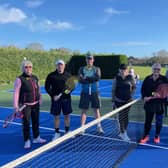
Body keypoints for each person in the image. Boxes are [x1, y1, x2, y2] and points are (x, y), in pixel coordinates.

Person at [13, 60, 46, 149]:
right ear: (23, 68)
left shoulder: (35, 77)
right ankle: (27, 140)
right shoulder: (19, 79)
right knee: (26, 123)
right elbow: (16, 93)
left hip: (36, 104)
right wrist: (16, 106)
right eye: (26, 67)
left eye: (30, 67)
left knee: (36, 122)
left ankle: (36, 137)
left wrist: (40, 98)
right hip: (25, 105)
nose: (28, 69)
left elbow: (38, 89)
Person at [45, 59, 73, 141]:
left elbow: (71, 87)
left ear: (64, 66)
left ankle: (67, 131)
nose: (60, 66)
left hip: (66, 99)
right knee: (56, 117)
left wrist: (64, 94)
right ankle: (57, 133)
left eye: (61, 65)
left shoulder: (68, 75)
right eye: (58, 65)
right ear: (56, 66)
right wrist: (53, 95)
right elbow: (47, 87)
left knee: (67, 116)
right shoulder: (51, 75)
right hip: (55, 100)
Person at [140, 63, 167, 144]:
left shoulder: (164, 79)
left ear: (160, 70)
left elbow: (165, 91)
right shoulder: (147, 78)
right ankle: (146, 136)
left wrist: (156, 94)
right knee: (148, 122)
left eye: (158, 69)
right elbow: (143, 89)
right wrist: (144, 97)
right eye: (155, 69)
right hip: (149, 104)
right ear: (152, 69)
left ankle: (157, 135)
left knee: (159, 122)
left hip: (160, 104)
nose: (156, 71)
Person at [78, 54, 104, 134]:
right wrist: (90, 79)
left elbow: (97, 78)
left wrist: (87, 78)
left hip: (95, 91)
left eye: (90, 59)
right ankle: (82, 128)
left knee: (96, 110)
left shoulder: (97, 69)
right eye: (88, 59)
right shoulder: (81, 69)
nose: (89, 60)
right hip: (84, 92)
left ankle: (99, 127)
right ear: (86, 60)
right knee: (84, 110)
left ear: (93, 60)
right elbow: (80, 79)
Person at [112, 64, 136, 141]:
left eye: (125, 69)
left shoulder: (130, 77)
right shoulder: (116, 78)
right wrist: (113, 100)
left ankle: (123, 131)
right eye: (122, 69)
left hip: (128, 101)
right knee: (121, 116)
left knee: (125, 116)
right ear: (119, 70)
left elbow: (134, 87)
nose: (123, 71)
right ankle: (123, 133)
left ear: (127, 70)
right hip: (118, 100)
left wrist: (131, 95)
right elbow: (113, 89)